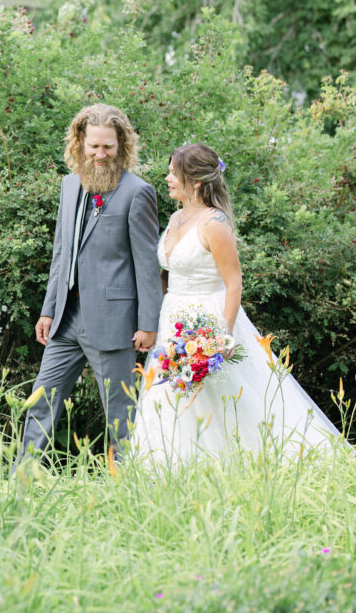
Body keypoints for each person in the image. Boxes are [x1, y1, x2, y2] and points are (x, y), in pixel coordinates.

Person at [130, 144, 343, 465]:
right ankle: (175, 466)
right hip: (172, 319)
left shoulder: (214, 222)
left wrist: (222, 336)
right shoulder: (176, 217)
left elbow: (234, 282)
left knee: (224, 396)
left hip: (209, 319)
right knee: (173, 395)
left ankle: (240, 462)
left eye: (174, 173)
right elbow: (167, 273)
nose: (168, 178)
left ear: (196, 182)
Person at [18, 104, 163, 464]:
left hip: (115, 323)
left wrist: (148, 323)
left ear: (122, 145)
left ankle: (125, 489)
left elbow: (147, 265)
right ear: (80, 143)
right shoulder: (69, 185)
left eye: (109, 147)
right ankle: (20, 483)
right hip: (66, 319)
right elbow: (61, 254)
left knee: (122, 417)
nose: (101, 155)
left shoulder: (137, 192)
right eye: (94, 146)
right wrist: (48, 310)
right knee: (41, 402)